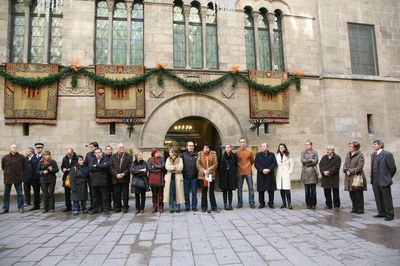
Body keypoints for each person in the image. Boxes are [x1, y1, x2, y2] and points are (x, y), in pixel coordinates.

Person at [370, 140, 397, 221]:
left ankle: (390, 214)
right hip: (375, 180)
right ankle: (381, 212)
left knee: (387, 198)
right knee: (378, 197)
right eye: (373, 144)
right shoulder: (373, 155)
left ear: (380, 145)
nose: (373, 146)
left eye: (375, 144)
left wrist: (387, 177)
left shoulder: (387, 154)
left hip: (384, 180)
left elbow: (393, 168)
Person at [1, 144, 26, 214]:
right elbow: (3, 167)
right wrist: (7, 172)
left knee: (20, 194)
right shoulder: (5, 157)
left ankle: (20, 207)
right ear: (10, 149)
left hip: (18, 178)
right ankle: (5, 208)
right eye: (13, 147)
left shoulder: (21, 157)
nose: (15, 148)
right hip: (8, 178)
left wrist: (20, 173)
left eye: (16, 147)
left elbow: (24, 166)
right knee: (6, 194)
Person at [343, 140, 367, 214]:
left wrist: (351, 171)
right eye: (349, 146)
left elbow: (360, 167)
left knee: (358, 193)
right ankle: (354, 207)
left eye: (350, 146)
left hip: (356, 176)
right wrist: (346, 170)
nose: (349, 147)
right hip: (349, 177)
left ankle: (360, 209)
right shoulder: (348, 154)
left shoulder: (360, 155)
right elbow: (345, 164)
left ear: (355, 148)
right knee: (351, 193)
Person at [110, 143, 132, 213]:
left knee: (125, 194)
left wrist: (124, 173)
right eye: (120, 147)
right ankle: (118, 207)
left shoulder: (128, 156)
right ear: (117, 148)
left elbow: (130, 167)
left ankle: (125, 207)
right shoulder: (113, 156)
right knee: (117, 193)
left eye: (122, 147)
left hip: (125, 178)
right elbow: (111, 167)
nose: (121, 148)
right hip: (116, 178)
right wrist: (116, 174)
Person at [319, 145, 342, 211]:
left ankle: (336, 205)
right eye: (327, 149)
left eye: (329, 149)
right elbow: (321, 165)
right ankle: (328, 204)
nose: (327, 150)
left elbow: (336, 167)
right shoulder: (324, 157)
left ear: (332, 150)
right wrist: (323, 171)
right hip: (325, 177)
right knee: (326, 192)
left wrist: (329, 172)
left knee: (335, 192)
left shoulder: (337, 158)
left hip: (333, 177)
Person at [196, 144, 218, 213]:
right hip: (203, 175)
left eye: (207, 148)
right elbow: (198, 164)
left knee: (211, 191)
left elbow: (215, 164)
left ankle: (214, 206)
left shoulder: (213, 154)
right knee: (204, 191)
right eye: (205, 148)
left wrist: (209, 169)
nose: (206, 149)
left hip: (210, 175)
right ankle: (204, 207)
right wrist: (204, 170)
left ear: (209, 148)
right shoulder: (200, 154)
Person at [254, 143, 277, 209]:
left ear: (267, 147)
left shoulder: (272, 154)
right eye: (261, 146)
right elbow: (256, 164)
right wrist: (262, 170)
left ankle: (271, 203)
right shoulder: (258, 155)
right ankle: (262, 203)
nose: (262, 147)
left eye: (264, 146)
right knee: (261, 190)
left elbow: (274, 163)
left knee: (271, 189)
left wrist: (269, 169)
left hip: (270, 174)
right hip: (261, 174)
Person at [89, 148, 111, 215]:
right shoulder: (92, 160)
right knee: (94, 196)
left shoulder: (105, 159)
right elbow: (90, 168)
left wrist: (97, 166)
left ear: (101, 153)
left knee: (104, 195)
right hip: (94, 181)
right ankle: (95, 209)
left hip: (102, 181)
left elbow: (106, 166)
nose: (97, 154)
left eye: (99, 152)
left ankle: (105, 208)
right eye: (96, 153)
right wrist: (100, 168)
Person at [236, 138, 255, 209]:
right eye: (241, 142)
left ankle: (252, 202)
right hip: (240, 171)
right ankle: (240, 203)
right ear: (239, 143)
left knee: (251, 188)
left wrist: (248, 166)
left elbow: (252, 160)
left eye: (244, 142)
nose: (242, 143)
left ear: (245, 143)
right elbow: (236, 161)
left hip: (248, 171)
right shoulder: (237, 152)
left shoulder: (249, 151)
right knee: (239, 188)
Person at [164, 147, 184, 213]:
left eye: (170, 152)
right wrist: (174, 167)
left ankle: (177, 208)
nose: (169, 153)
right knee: (171, 193)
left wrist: (172, 169)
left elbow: (180, 168)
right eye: (169, 152)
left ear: (174, 152)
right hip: (170, 179)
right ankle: (171, 208)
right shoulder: (168, 159)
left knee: (178, 193)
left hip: (178, 178)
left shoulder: (180, 159)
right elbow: (167, 167)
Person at [218, 144, 238, 210]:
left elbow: (236, 165)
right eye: (226, 147)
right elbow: (219, 166)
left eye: (228, 147)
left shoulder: (234, 156)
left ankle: (230, 204)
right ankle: (225, 204)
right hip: (224, 176)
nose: (227, 149)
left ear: (231, 148)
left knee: (230, 191)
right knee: (224, 190)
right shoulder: (222, 156)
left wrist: (234, 172)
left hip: (231, 176)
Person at [300, 140, 319, 209]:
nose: (307, 146)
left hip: (313, 172)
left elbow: (316, 161)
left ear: (311, 145)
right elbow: (302, 161)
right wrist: (310, 160)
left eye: (308, 144)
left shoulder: (315, 152)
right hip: (305, 173)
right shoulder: (303, 152)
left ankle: (313, 203)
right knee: (307, 190)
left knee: (313, 190)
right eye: (306, 145)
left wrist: (307, 161)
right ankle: (308, 203)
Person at [275, 143, 294, 209]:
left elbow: (291, 165)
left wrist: (289, 172)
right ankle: (284, 203)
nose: (281, 148)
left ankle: (289, 203)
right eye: (280, 147)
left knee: (287, 189)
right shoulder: (276, 155)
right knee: (281, 189)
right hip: (279, 173)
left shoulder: (289, 155)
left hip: (286, 173)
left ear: (285, 148)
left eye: (282, 147)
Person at [181, 141, 198, 212]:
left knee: (194, 192)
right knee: (186, 193)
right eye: (189, 146)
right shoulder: (183, 155)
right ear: (187, 147)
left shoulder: (197, 154)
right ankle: (187, 206)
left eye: (192, 146)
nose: (191, 147)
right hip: (186, 177)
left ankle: (194, 206)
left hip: (194, 177)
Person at [147, 147, 165, 213]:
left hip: (160, 179)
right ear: (153, 153)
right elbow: (149, 168)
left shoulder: (162, 159)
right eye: (157, 152)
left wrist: (154, 166)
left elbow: (163, 166)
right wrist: (158, 169)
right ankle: (154, 206)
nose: (158, 153)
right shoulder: (149, 159)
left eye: (159, 152)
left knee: (160, 195)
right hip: (152, 179)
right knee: (154, 195)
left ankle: (161, 206)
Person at [60, 148, 78, 212]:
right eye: (67, 154)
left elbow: (76, 166)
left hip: (74, 177)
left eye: (70, 154)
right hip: (66, 177)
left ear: (73, 153)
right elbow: (62, 166)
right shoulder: (65, 158)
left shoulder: (76, 158)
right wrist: (63, 169)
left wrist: (70, 169)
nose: (69, 155)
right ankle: (68, 206)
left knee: (75, 192)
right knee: (67, 193)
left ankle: (77, 206)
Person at [84, 141, 99, 210]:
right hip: (90, 176)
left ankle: (99, 204)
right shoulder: (88, 155)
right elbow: (85, 164)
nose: (90, 148)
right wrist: (87, 172)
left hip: (98, 176)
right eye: (90, 147)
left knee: (99, 191)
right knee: (92, 191)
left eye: (92, 147)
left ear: (96, 147)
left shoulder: (99, 154)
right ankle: (92, 204)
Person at [104, 145, 114, 210]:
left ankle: (115, 205)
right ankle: (108, 205)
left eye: (109, 149)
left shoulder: (114, 157)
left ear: (111, 150)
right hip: (105, 177)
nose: (108, 150)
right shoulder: (103, 158)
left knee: (114, 192)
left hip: (113, 177)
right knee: (107, 192)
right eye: (107, 149)